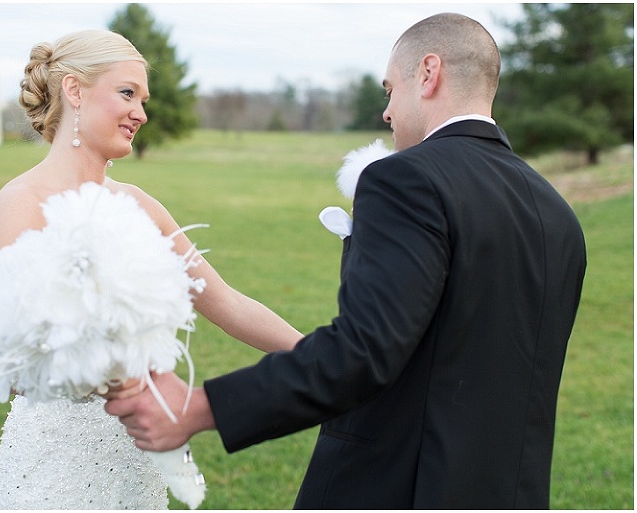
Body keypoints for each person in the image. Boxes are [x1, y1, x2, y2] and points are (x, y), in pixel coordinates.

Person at [104, 13, 587, 509]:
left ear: (428, 73)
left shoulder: (405, 179)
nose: (387, 113)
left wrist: (199, 406)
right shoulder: (557, 213)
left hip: (396, 487)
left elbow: (364, 351)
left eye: (389, 90)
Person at [0, 29, 303, 509]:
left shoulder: (139, 205)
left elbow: (229, 304)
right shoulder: (22, 202)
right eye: (127, 93)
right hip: (55, 463)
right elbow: (12, 354)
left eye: (143, 98)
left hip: (137, 458)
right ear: (74, 90)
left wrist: (329, 359)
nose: (141, 113)